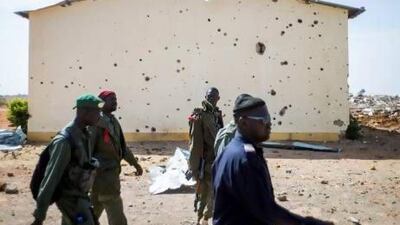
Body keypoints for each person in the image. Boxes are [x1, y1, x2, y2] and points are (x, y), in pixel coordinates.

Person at [212, 94, 334, 225]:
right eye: (262, 119)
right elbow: (268, 212)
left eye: (269, 118)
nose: (269, 124)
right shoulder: (245, 159)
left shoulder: (229, 151)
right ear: (243, 122)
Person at [31, 94, 103, 225]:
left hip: (81, 197)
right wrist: (39, 216)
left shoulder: (84, 134)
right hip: (70, 200)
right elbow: (50, 179)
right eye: (97, 112)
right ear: (84, 112)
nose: (100, 115)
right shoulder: (65, 141)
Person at [90, 90, 143, 225]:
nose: (115, 102)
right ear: (101, 103)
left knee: (93, 210)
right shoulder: (96, 123)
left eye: (116, 99)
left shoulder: (113, 121)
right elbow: (86, 150)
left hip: (108, 175)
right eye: (112, 99)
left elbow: (122, 147)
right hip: (103, 175)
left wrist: (135, 164)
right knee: (115, 212)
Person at [188, 87, 223, 225]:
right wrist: (193, 166)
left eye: (214, 97)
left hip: (217, 159)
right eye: (209, 96)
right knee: (204, 191)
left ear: (218, 98)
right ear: (205, 96)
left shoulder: (216, 115)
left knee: (212, 191)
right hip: (205, 160)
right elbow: (195, 143)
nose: (211, 99)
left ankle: (205, 218)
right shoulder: (200, 116)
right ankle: (202, 218)